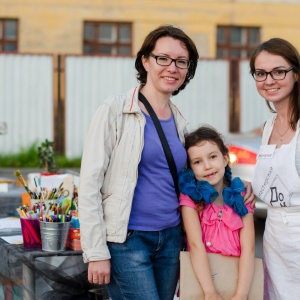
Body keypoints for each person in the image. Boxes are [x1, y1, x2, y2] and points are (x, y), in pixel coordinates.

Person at [78, 25, 255, 300]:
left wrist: (241, 185)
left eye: (181, 62)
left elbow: (200, 175)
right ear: (146, 60)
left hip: (171, 239)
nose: (172, 67)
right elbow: (89, 183)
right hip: (127, 240)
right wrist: (96, 251)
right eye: (163, 58)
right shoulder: (115, 110)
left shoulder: (179, 121)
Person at [178, 125, 255, 300]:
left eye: (212, 157)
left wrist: (241, 294)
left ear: (225, 159)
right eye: (197, 162)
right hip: (202, 284)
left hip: (238, 281)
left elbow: (248, 248)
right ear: (190, 168)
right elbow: (195, 245)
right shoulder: (190, 198)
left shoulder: (241, 195)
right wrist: (210, 292)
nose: (207, 166)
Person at [250, 38, 300, 299]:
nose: (269, 80)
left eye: (278, 71)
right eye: (261, 73)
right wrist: (251, 188)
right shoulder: (268, 126)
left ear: (296, 74)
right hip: (275, 240)